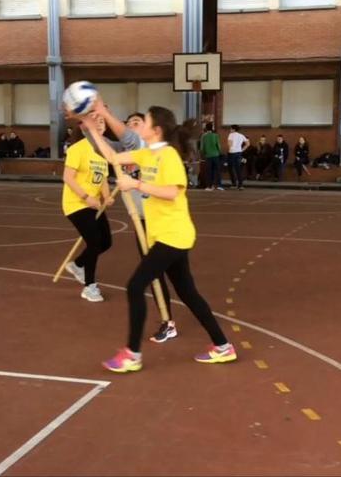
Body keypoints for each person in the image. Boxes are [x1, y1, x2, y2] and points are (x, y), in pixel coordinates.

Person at [87, 106, 238, 372]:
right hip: (165, 236)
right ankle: (223, 346)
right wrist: (91, 128)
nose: (139, 125)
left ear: (156, 130)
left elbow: (172, 192)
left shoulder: (168, 155)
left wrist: (136, 185)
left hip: (174, 235)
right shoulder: (147, 154)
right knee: (188, 293)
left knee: (135, 286)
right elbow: (112, 156)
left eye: (143, 122)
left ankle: (132, 354)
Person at [89, 105, 176, 341]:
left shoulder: (143, 146)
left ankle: (171, 326)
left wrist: (104, 113)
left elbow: (128, 138)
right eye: (130, 124)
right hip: (142, 222)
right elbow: (103, 149)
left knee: (161, 278)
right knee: (161, 276)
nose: (132, 127)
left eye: (138, 122)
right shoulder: (128, 149)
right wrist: (92, 127)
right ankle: (169, 321)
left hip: (161, 223)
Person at [60, 113, 116, 303]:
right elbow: (68, 178)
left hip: (94, 204)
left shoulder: (103, 150)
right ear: (85, 127)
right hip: (76, 204)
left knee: (106, 242)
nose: (100, 124)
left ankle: (78, 264)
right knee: (94, 242)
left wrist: (107, 197)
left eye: (102, 122)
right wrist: (86, 197)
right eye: (95, 122)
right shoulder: (78, 149)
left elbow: (103, 179)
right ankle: (89, 287)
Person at [199, 122, 223, 190]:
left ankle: (209, 186)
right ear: (212, 128)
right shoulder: (215, 135)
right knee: (217, 171)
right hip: (216, 155)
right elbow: (218, 146)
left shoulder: (203, 136)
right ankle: (219, 185)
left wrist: (204, 154)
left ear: (206, 128)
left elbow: (201, 148)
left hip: (208, 156)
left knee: (209, 171)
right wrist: (219, 152)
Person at [226, 125, 248, 189]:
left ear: (233, 129)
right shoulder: (241, 135)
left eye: (231, 129)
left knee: (230, 168)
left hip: (232, 153)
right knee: (238, 169)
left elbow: (229, 144)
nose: (230, 130)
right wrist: (241, 150)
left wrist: (230, 148)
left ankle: (234, 184)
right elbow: (248, 144)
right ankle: (240, 185)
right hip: (239, 153)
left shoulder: (231, 135)